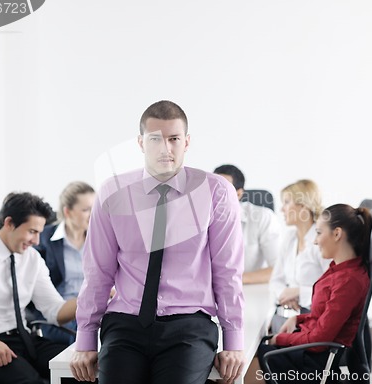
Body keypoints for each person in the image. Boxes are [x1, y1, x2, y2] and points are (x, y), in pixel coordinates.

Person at [70, 100, 245, 384]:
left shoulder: (216, 192)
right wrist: (86, 338)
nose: (166, 148)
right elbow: (97, 272)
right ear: (140, 143)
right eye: (155, 139)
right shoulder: (112, 192)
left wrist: (233, 341)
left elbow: (228, 272)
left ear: (187, 142)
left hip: (189, 325)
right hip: (125, 323)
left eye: (174, 139)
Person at [0, 192, 77, 384]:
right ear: (9, 223)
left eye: (40, 233)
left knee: (79, 370)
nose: (37, 241)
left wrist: (91, 297)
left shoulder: (32, 258)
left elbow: (55, 312)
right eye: (32, 232)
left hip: (25, 338)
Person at [256, 204, 372, 383]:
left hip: (316, 363)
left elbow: (320, 339)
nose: (315, 241)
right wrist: (298, 319)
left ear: (337, 234)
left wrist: (281, 339)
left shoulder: (349, 280)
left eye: (319, 233)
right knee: (260, 346)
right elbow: (324, 316)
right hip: (311, 351)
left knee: (255, 356)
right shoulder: (338, 269)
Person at [33, 181, 96, 345]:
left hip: (95, 308)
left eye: (95, 208)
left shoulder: (99, 239)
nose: (93, 214)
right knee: (83, 342)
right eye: (86, 209)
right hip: (62, 314)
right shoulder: (43, 239)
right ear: (67, 211)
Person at [269, 180, 330, 332]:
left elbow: (334, 291)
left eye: (287, 202)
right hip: (293, 315)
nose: (282, 209)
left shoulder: (322, 241)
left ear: (303, 206)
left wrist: (298, 292)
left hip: (318, 319)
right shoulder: (290, 237)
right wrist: (284, 294)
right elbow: (275, 280)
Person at [213, 164, 281, 284]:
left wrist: (232, 280)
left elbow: (279, 269)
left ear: (238, 194)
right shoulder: (199, 217)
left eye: (223, 189)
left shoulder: (263, 217)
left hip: (249, 290)